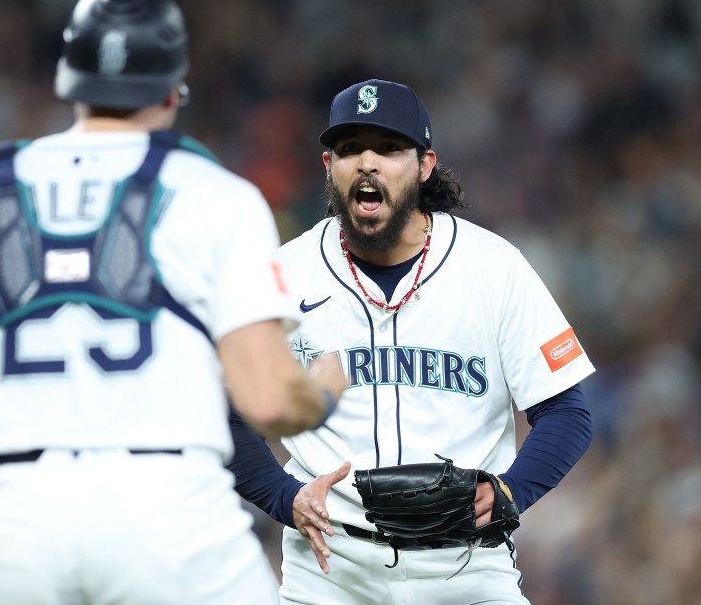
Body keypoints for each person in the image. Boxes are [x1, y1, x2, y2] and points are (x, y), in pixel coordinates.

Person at [0, 0, 346, 605]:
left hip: (12, 517)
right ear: (174, 86)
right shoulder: (218, 198)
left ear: (68, 78)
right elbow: (266, 399)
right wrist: (322, 390)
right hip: (168, 513)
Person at [227, 79, 595, 604]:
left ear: (424, 166)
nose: (367, 163)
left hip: (465, 567)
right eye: (350, 149)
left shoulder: (492, 267)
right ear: (328, 166)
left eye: (389, 148)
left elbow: (567, 412)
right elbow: (226, 415)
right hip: (330, 571)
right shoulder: (286, 274)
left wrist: (510, 491)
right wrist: (284, 498)